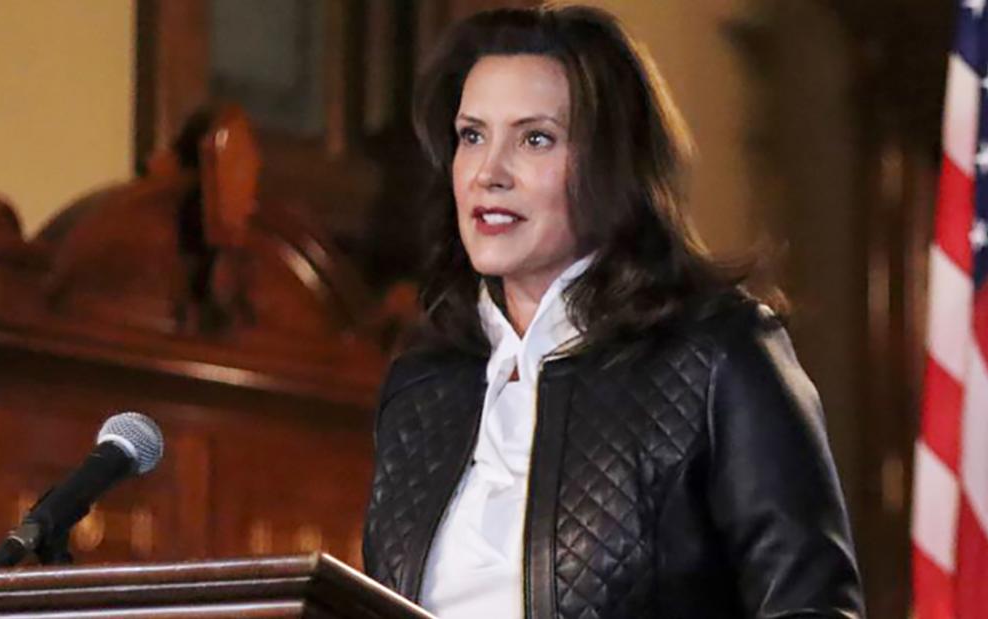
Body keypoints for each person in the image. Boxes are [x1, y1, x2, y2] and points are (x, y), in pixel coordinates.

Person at [362, 5, 865, 619]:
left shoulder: (720, 353)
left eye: (535, 138)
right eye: (472, 136)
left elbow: (811, 607)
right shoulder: (420, 388)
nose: (489, 173)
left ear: (610, 164)